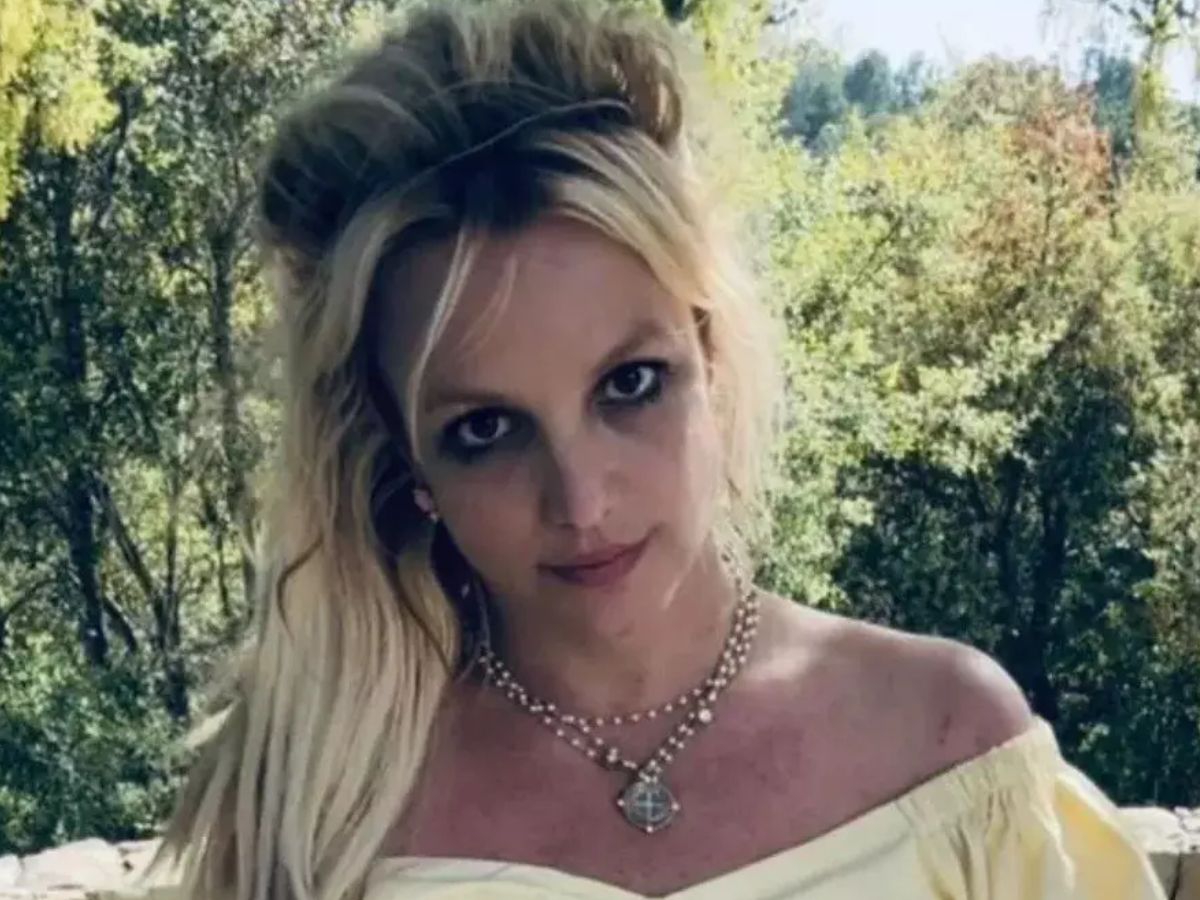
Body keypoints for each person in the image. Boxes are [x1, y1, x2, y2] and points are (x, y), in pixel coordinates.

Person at [152, 1, 1166, 898]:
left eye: (629, 385)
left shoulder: (951, 755)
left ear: (709, 356)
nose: (581, 500)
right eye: (485, 430)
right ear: (408, 462)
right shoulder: (317, 814)